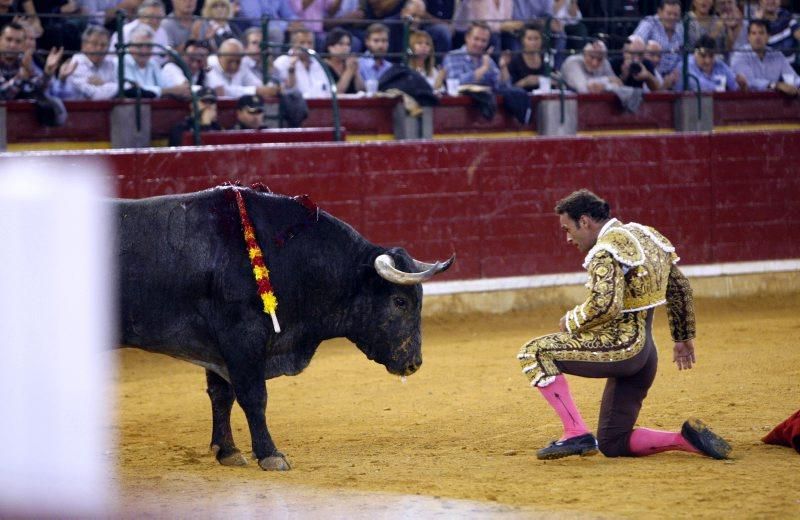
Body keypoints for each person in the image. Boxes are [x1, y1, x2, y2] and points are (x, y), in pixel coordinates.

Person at [517, 189, 733, 461]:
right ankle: (683, 439)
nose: (567, 238)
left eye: (568, 228)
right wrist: (682, 336)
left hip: (621, 349)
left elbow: (605, 305)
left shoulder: (605, 250)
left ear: (584, 221)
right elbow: (679, 288)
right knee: (613, 441)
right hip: (645, 356)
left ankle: (575, 432)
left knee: (534, 352)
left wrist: (571, 320)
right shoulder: (648, 235)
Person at [120, 24, 190, 98]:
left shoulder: (152, 63)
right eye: (139, 46)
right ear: (130, 45)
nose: (144, 51)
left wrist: (181, 89)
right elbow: (132, 91)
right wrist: (170, 91)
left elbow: (163, 84)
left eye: (149, 46)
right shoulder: (121, 63)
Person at [731, 19, 798, 95]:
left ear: (768, 36)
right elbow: (750, 82)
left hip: (773, 103)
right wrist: (775, 85)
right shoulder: (740, 55)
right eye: (753, 33)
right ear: (748, 37)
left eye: (761, 33)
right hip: (747, 102)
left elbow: (793, 77)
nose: (757, 37)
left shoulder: (777, 55)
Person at [0, 21, 62, 99]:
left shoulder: (23, 61)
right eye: (8, 40)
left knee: (54, 102)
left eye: (18, 41)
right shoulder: (24, 66)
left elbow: (36, 90)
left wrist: (47, 73)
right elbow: (2, 95)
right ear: (0, 40)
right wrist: (21, 76)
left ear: (23, 45)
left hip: (19, 109)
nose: (12, 45)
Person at [632, 0, 684, 88]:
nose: (672, 18)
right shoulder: (649, 23)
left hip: (674, 77)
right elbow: (634, 46)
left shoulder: (680, 28)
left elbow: (682, 56)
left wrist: (674, 73)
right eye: (669, 14)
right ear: (660, 12)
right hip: (650, 74)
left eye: (675, 15)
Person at [206, 37, 279, 98]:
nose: (234, 65)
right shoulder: (209, 64)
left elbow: (257, 84)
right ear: (220, 56)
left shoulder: (242, 64)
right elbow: (221, 90)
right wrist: (255, 90)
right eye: (230, 61)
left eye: (237, 61)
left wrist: (271, 88)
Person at [272, 27, 331, 98]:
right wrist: (292, 67)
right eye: (302, 43)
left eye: (310, 43)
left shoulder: (318, 62)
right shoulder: (282, 62)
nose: (306, 47)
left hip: (320, 105)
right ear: (293, 44)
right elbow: (285, 90)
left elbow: (328, 89)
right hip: (294, 107)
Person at [443, 21, 502, 90]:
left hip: (484, 99)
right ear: (467, 38)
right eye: (476, 39)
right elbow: (455, 83)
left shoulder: (487, 60)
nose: (479, 44)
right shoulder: (452, 56)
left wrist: (503, 67)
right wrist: (483, 69)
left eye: (484, 41)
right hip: (462, 99)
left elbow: (500, 87)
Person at [108, 0, 170, 66]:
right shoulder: (125, 32)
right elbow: (112, 59)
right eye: (151, 17)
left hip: (155, 70)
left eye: (159, 17)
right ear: (141, 16)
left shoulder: (162, 32)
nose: (155, 21)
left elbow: (164, 58)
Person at [65, 24, 118, 99]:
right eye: (94, 44)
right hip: (79, 109)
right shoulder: (76, 63)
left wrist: (104, 84)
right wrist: (113, 86)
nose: (99, 48)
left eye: (103, 45)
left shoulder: (110, 63)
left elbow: (127, 87)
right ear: (83, 46)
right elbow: (96, 95)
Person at [675, 34, 744, 91]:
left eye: (711, 56)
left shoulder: (719, 64)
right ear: (695, 54)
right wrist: (721, 89)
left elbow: (736, 86)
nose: (707, 61)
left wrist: (742, 86)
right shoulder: (685, 65)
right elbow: (701, 86)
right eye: (703, 56)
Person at [500, 23, 548, 92]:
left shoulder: (546, 59)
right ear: (523, 40)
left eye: (536, 38)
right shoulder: (515, 61)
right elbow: (509, 88)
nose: (533, 43)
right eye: (529, 39)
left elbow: (554, 78)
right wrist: (525, 82)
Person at [323, 27, 360, 94]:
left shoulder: (349, 64)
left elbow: (361, 90)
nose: (346, 48)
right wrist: (349, 71)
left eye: (348, 44)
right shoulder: (322, 66)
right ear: (330, 47)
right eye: (341, 44)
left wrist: (356, 72)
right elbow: (336, 94)